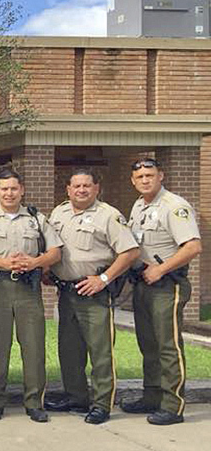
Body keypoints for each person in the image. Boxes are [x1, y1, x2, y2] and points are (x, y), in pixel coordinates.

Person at [0, 169, 62, 423]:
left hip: (28, 290)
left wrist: (35, 262)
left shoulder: (35, 219)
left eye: (14, 189)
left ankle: (34, 402)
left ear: (22, 190)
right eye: (4, 189)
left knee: (33, 346)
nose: (9, 193)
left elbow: (55, 252)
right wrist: (0, 263)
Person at [45, 169, 138, 425]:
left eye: (87, 185)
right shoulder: (59, 213)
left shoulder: (108, 215)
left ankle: (101, 403)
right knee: (69, 349)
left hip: (94, 292)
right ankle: (76, 397)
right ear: (68, 189)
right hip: (66, 291)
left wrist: (104, 279)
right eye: (76, 186)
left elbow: (129, 252)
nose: (81, 190)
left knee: (100, 350)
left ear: (97, 188)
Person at [123, 158, 201, 426]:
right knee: (148, 344)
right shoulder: (139, 205)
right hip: (144, 284)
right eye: (140, 176)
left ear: (161, 176)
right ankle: (152, 396)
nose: (145, 180)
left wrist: (161, 269)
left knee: (168, 345)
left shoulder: (174, 206)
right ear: (133, 181)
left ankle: (172, 405)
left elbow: (192, 247)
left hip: (167, 285)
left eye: (150, 175)